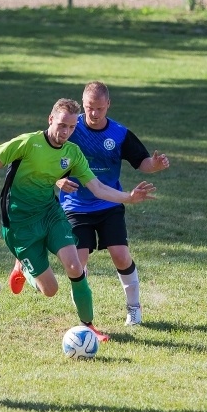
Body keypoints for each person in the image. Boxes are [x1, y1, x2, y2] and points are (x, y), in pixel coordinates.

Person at [0, 98, 155, 342]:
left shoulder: (72, 153)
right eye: (61, 125)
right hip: (19, 225)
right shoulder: (28, 143)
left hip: (50, 214)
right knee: (50, 291)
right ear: (50, 119)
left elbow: (98, 187)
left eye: (70, 128)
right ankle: (24, 267)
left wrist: (128, 198)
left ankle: (89, 326)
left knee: (75, 266)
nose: (65, 132)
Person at [56, 82, 169, 327]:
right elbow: (48, 161)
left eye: (99, 108)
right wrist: (59, 180)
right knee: (78, 261)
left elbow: (142, 162)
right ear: (82, 105)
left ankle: (134, 308)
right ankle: (84, 318)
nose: (94, 114)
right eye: (89, 108)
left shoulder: (119, 133)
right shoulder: (70, 129)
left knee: (120, 255)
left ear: (108, 104)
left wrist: (155, 165)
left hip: (109, 203)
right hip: (76, 206)